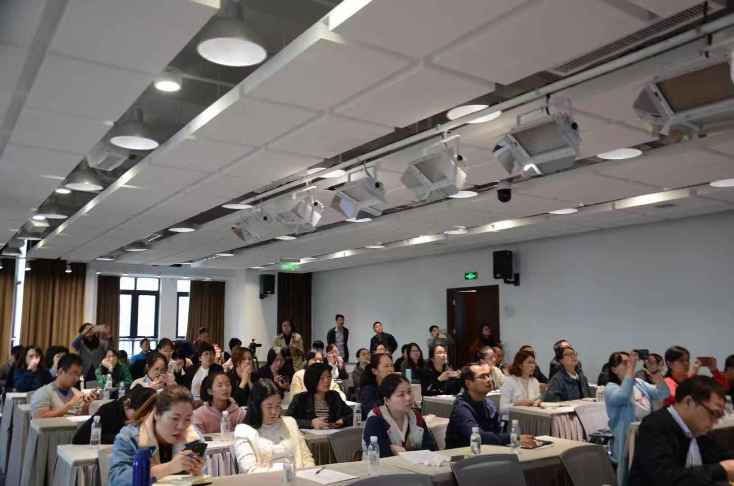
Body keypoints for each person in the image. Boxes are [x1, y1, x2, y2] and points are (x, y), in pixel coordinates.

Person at [629, 376, 734, 486]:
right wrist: (721, 470)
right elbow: (666, 478)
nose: (715, 422)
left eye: (719, 416)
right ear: (689, 402)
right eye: (713, 413)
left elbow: (718, 455)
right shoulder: (655, 426)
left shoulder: (697, 429)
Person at [108, 386, 205, 486]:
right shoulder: (130, 437)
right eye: (175, 418)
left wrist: (197, 474)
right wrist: (168, 468)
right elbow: (117, 480)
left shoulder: (193, 438)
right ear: (157, 414)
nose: (181, 426)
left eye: (187, 419)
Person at [604, 351, 670, 486]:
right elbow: (623, 396)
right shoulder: (610, 388)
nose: (630, 365)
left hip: (646, 435)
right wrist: (630, 369)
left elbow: (664, 393)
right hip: (626, 441)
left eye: (630, 361)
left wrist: (655, 371)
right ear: (614, 369)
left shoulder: (639, 383)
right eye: (625, 363)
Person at [446, 362, 535, 449]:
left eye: (488, 375)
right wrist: (512, 438)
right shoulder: (461, 408)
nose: (489, 380)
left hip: (486, 452)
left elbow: (497, 434)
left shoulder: (490, 404)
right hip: (461, 455)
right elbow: (477, 436)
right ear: (468, 383)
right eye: (482, 377)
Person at [233, 379, 315, 473]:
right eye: (269, 407)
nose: (274, 412)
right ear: (256, 407)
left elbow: (306, 457)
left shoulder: (290, 423)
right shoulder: (243, 431)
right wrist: (287, 471)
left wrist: (310, 474)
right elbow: (251, 470)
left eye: (278, 406)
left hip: (298, 477)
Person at [363, 374, 437, 457]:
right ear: (387, 400)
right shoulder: (376, 418)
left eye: (409, 392)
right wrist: (391, 449)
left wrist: (398, 450)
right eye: (401, 395)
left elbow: (430, 449)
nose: (408, 398)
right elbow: (379, 452)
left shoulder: (416, 417)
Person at [73, 386, 156, 444]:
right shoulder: (108, 411)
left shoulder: (153, 417)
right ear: (127, 405)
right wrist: (121, 438)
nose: (142, 420)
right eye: (139, 415)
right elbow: (80, 438)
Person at [287, 363, 353, 429]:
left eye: (329, 376)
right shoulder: (300, 398)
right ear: (312, 379)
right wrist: (310, 423)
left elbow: (352, 414)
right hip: (309, 435)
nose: (327, 381)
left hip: (333, 433)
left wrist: (342, 421)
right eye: (322, 378)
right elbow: (287, 420)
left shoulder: (334, 396)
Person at [31, 354, 96, 418]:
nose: (77, 378)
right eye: (74, 373)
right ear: (60, 371)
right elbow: (39, 418)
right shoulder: (43, 393)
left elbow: (81, 420)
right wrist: (69, 405)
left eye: (79, 375)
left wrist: (86, 406)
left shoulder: (76, 393)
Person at [499, 349, 542, 415]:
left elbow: (537, 400)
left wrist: (539, 402)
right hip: (513, 418)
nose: (533, 366)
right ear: (520, 365)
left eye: (534, 363)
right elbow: (502, 409)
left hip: (531, 417)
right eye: (529, 362)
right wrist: (517, 404)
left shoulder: (534, 381)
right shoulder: (509, 381)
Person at [359, 353, 395, 420]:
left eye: (392, 365)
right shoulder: (368, 390)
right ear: (375, 371)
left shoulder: (394, 386)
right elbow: (373, 413)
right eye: (386, 366)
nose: (391, 369)